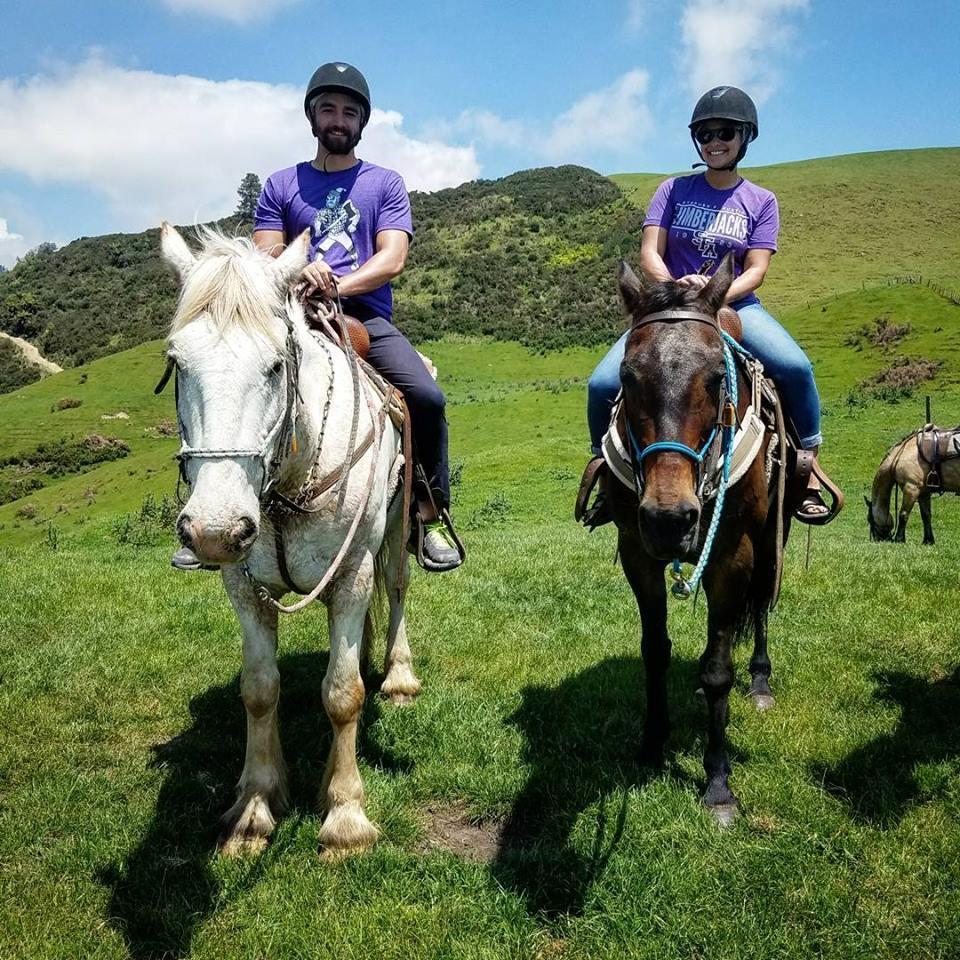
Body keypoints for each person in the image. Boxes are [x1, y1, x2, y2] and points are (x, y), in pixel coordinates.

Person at [172, 62, 463, 572]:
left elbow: (392, 257)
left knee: (427, 398)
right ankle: (207, 512)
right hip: (292, 317)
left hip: (365, 318)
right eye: (328, 108)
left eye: (349, 112)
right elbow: (266, 256)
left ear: (360, 123)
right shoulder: (281, 185)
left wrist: (339, 285)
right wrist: (303, 277)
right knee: (219, 379)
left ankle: (429, 514)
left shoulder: (385, 184)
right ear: (312, 115)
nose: (338, 119)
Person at [581, 84, 837, 526]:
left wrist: (716, 296)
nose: (714, 142)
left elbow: (756, 269)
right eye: (705, 134)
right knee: (601, 384)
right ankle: (609, 475)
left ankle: (808, 466)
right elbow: (649, 253)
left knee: (796, 367)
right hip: (671, 307)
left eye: (724, 132)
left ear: (744, 137)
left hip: (735, 305)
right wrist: (674, 286)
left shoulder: (761, 201)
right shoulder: (672, 190)